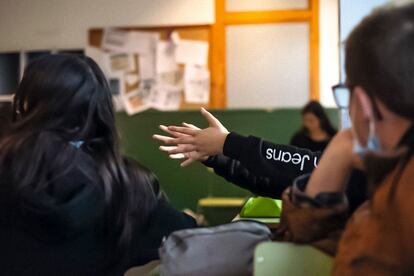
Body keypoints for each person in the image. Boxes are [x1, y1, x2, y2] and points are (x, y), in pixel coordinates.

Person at [158, 2, 414, 274]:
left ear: (361, 103)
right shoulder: (387, 169)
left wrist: (228, 145)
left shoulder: (396, 190)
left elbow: (306, 216)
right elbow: (292, 174)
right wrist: (221, 153)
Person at [0, 54, 196, 276]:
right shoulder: (129, 182)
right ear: (100, 109)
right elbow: (188, 239)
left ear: (25, 106)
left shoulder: (7, 172)